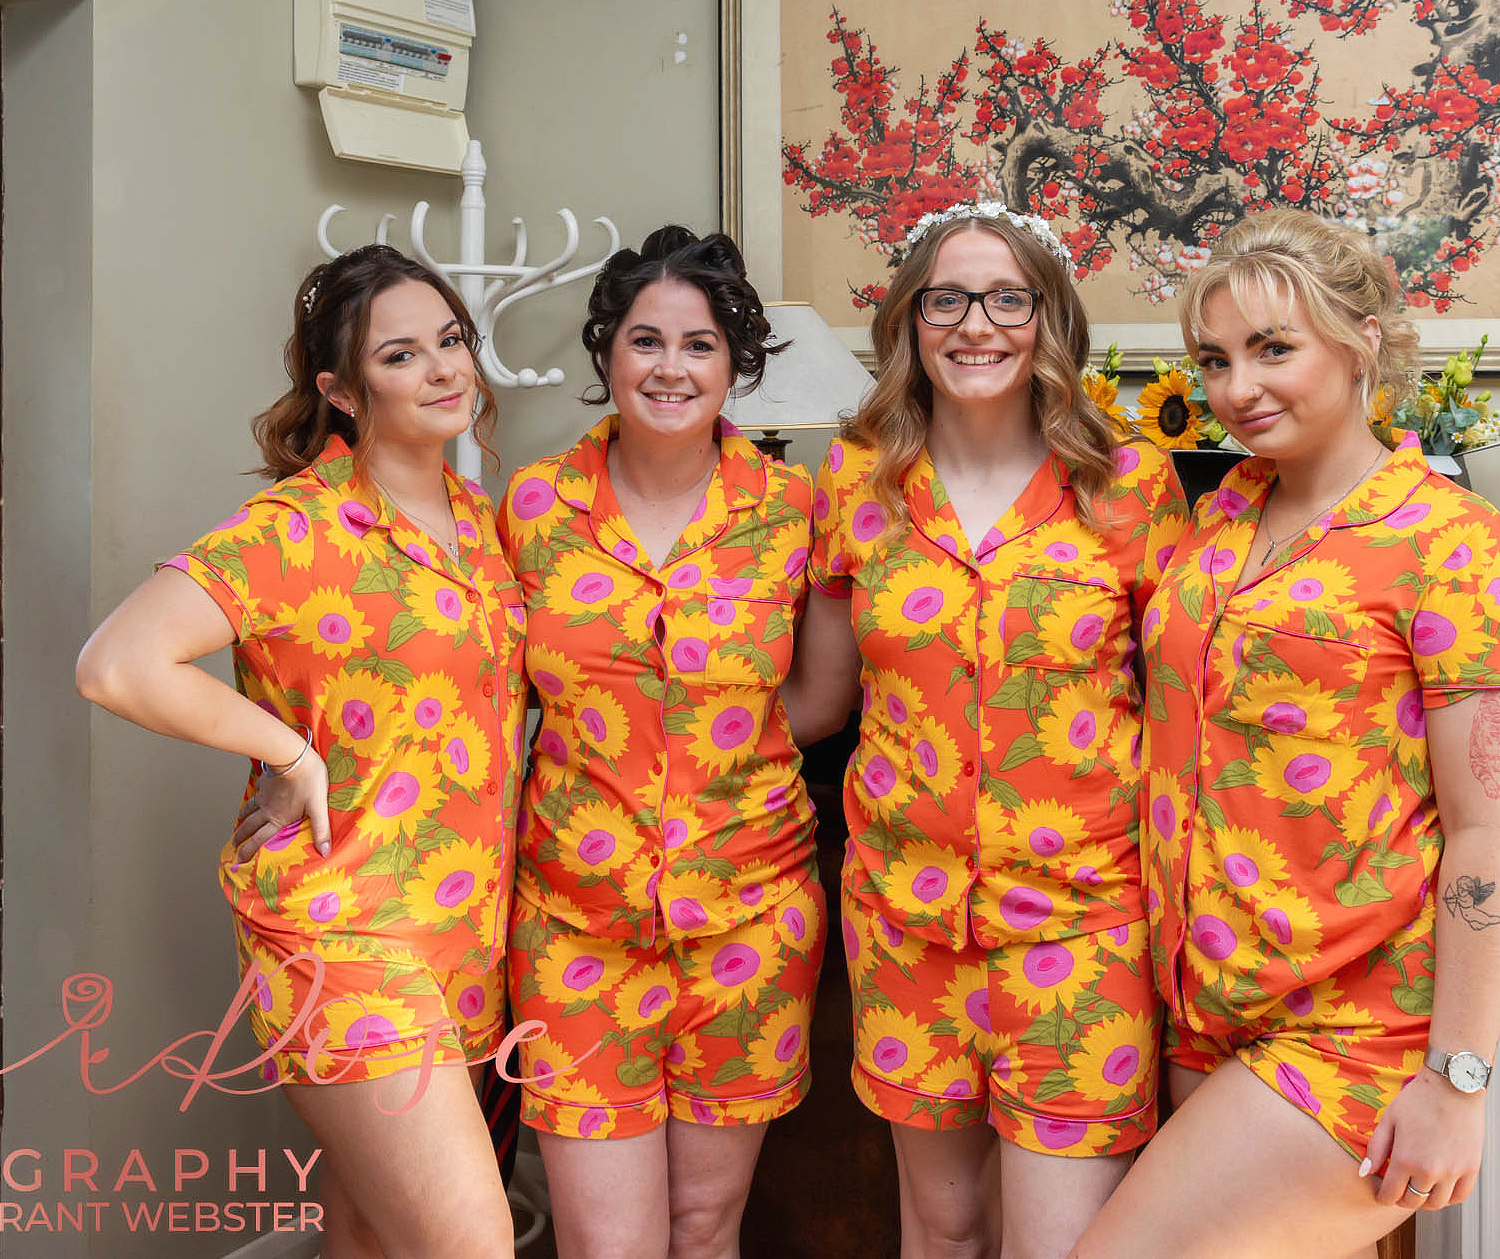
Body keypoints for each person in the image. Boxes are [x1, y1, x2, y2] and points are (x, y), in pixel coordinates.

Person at [1073, 210, 1500, 1259]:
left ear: (1362, 336)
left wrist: (1454, 1081)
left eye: (1272, 348)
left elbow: (1489, 835)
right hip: (1201, 1001)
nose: (1236, 387)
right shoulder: (1220, 517)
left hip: (1354, 1027)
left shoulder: (1453, 544)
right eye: (1213, 358)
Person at [76, 245, 525, 1259]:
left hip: (463, 935)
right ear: (340, 390)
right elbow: (116, 664)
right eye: (402, 355)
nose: (444, 369)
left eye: (449, 340)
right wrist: (289, 752)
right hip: (344, 936)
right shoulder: (294, 529)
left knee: (369, 1236)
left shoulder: (478, 524)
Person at [784, 202, 1187, 1259]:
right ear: (909, 321)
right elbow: (818, 703)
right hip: (902, 921)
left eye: (1007, 297)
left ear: (1047, 319)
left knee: (1058, 1243)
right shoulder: (857, 482)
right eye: (946, 298)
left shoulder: (1128, 487)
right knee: (941, 1225)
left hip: (1082, 925)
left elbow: (1183, 719)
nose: (976, 324)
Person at [499, 225, 823, 1259]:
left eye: (699, 344)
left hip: (750, 922)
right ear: (606, 354)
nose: (670, 368)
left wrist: (699, 760)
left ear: (736, 365)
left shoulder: (792, 513)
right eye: (645, 340)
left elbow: (815, 699)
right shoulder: (533, 506)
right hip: (572, 922)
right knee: (607, 1242)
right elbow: (486, 695)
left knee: (701, 1224)